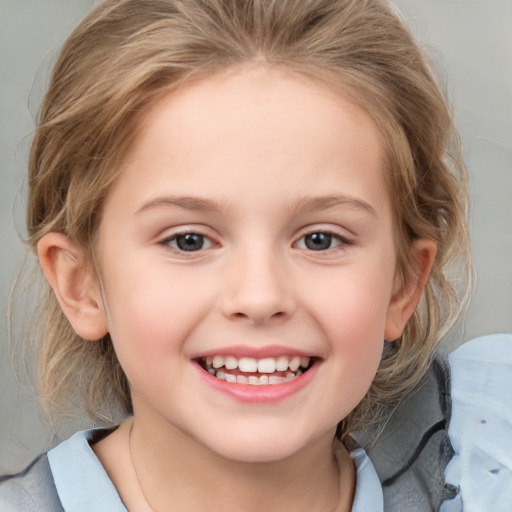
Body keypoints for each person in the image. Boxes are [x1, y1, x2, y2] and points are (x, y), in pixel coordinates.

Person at [1, 0, 510, 511]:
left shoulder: (487, 474)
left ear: (404, 284)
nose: (260, 296)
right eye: (189, 240)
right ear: (81, 284)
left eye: (320, 239)